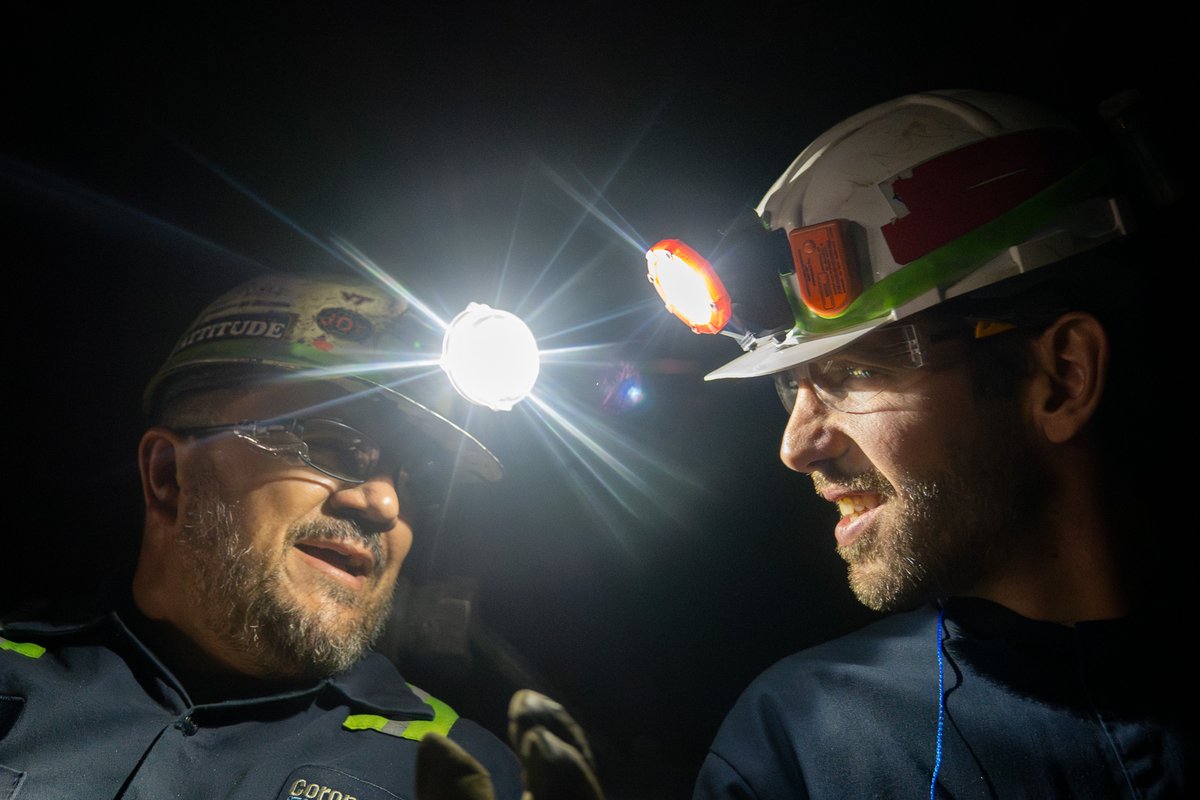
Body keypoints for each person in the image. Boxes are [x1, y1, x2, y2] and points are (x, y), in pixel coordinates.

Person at [647, 89, 1195, 797]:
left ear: (1060, 377)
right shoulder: (801, 752)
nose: (798, 446)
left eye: (857, 372)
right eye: (795, 385)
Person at [0, 272, 546, 799]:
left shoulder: (454, 771)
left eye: (420, 481)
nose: (384, 504)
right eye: (330, 444)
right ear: (169, 476)